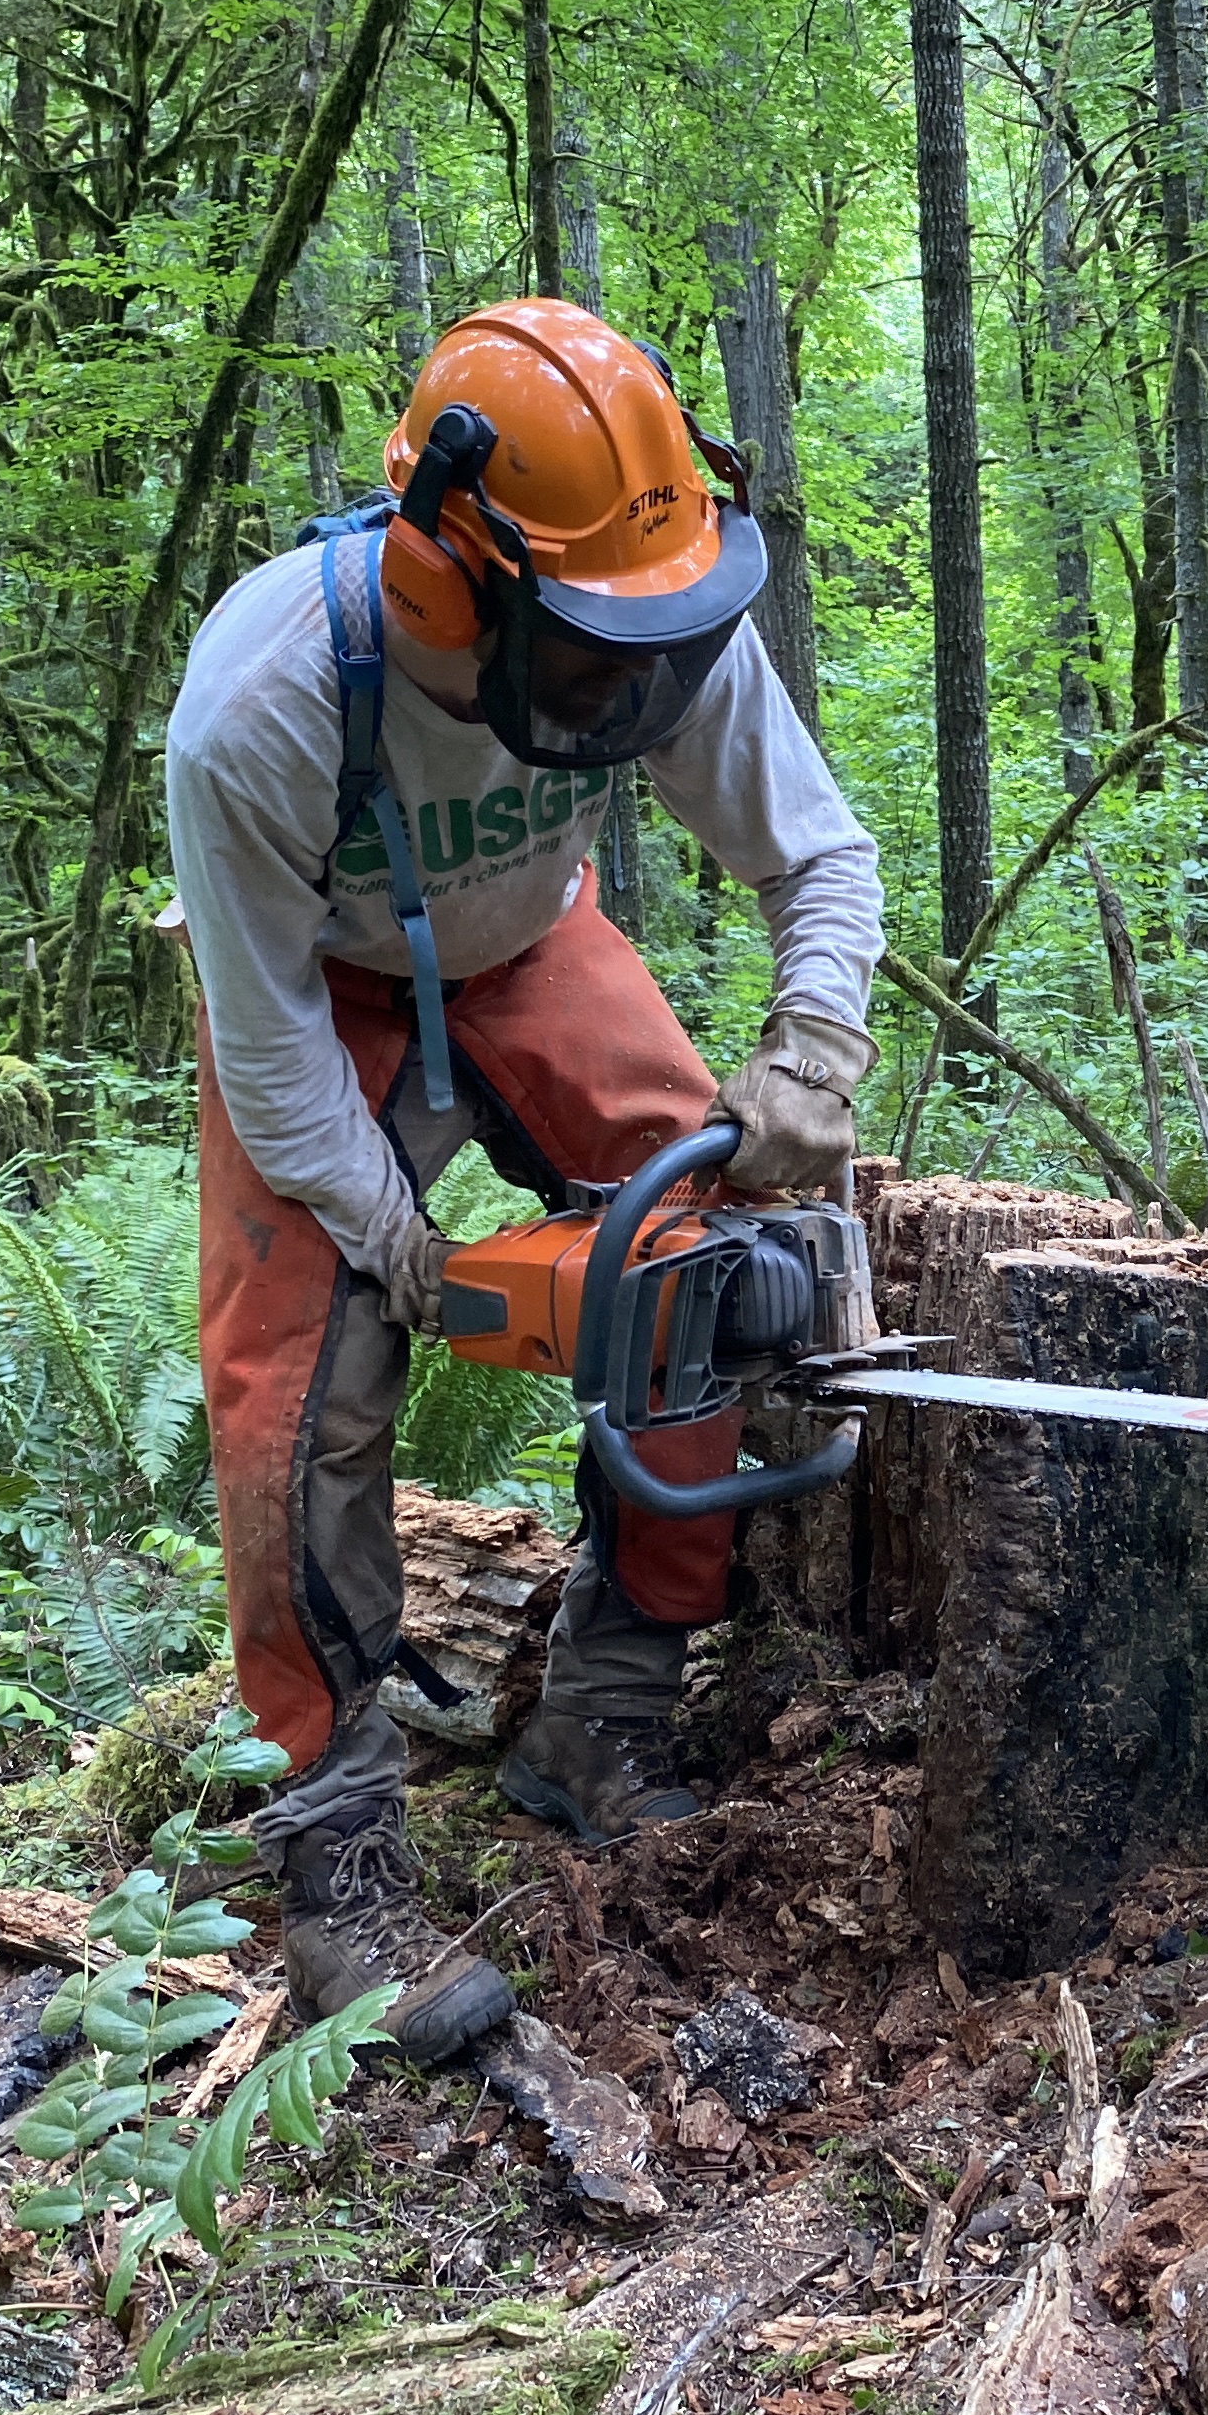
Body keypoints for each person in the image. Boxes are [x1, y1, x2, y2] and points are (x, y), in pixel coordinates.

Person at [165, 295, 881, 2049]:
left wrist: (812, 1052)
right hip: (324, 992)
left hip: (533, 940)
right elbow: (267, 1057)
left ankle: (609, 1705)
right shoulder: (254, 714)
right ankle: (335, 1851)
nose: (627, 686)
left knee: (692, 1252)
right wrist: (404, 1251)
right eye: (581, 650)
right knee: (297, 1386)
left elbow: (821, 854)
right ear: (451, 578)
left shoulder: (650, 620)